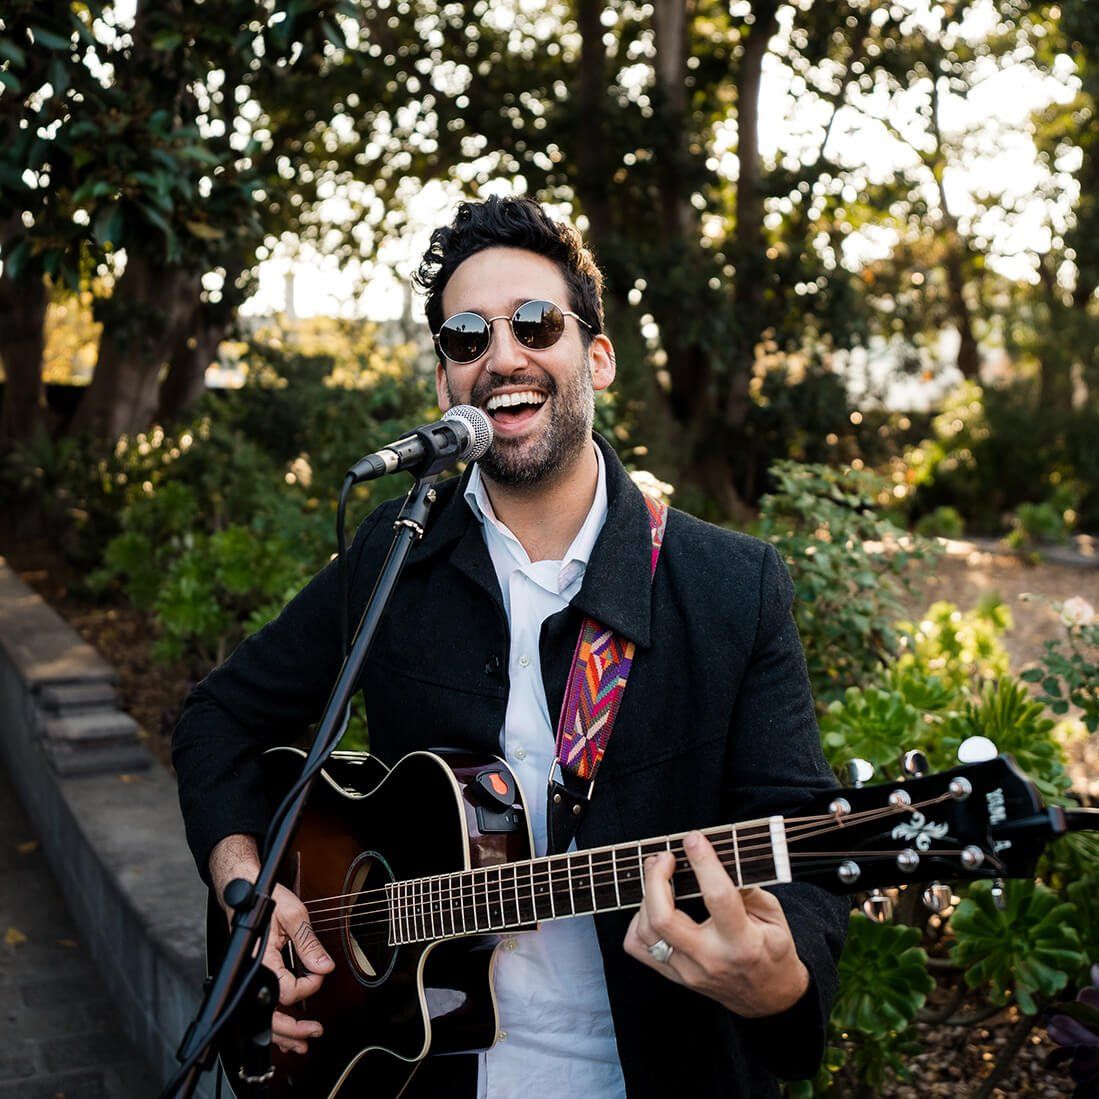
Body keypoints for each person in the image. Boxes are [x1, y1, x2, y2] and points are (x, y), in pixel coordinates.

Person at [172, 195, 849, 1099]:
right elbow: (218, 717)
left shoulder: (727, 585)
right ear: (445, 387)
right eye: (465, 337)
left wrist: (782, 977)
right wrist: (248, 894)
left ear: (595, 357)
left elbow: (799, 833)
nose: (502, 355)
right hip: (416, 1067)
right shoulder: (395, 552)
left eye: (535, 322)